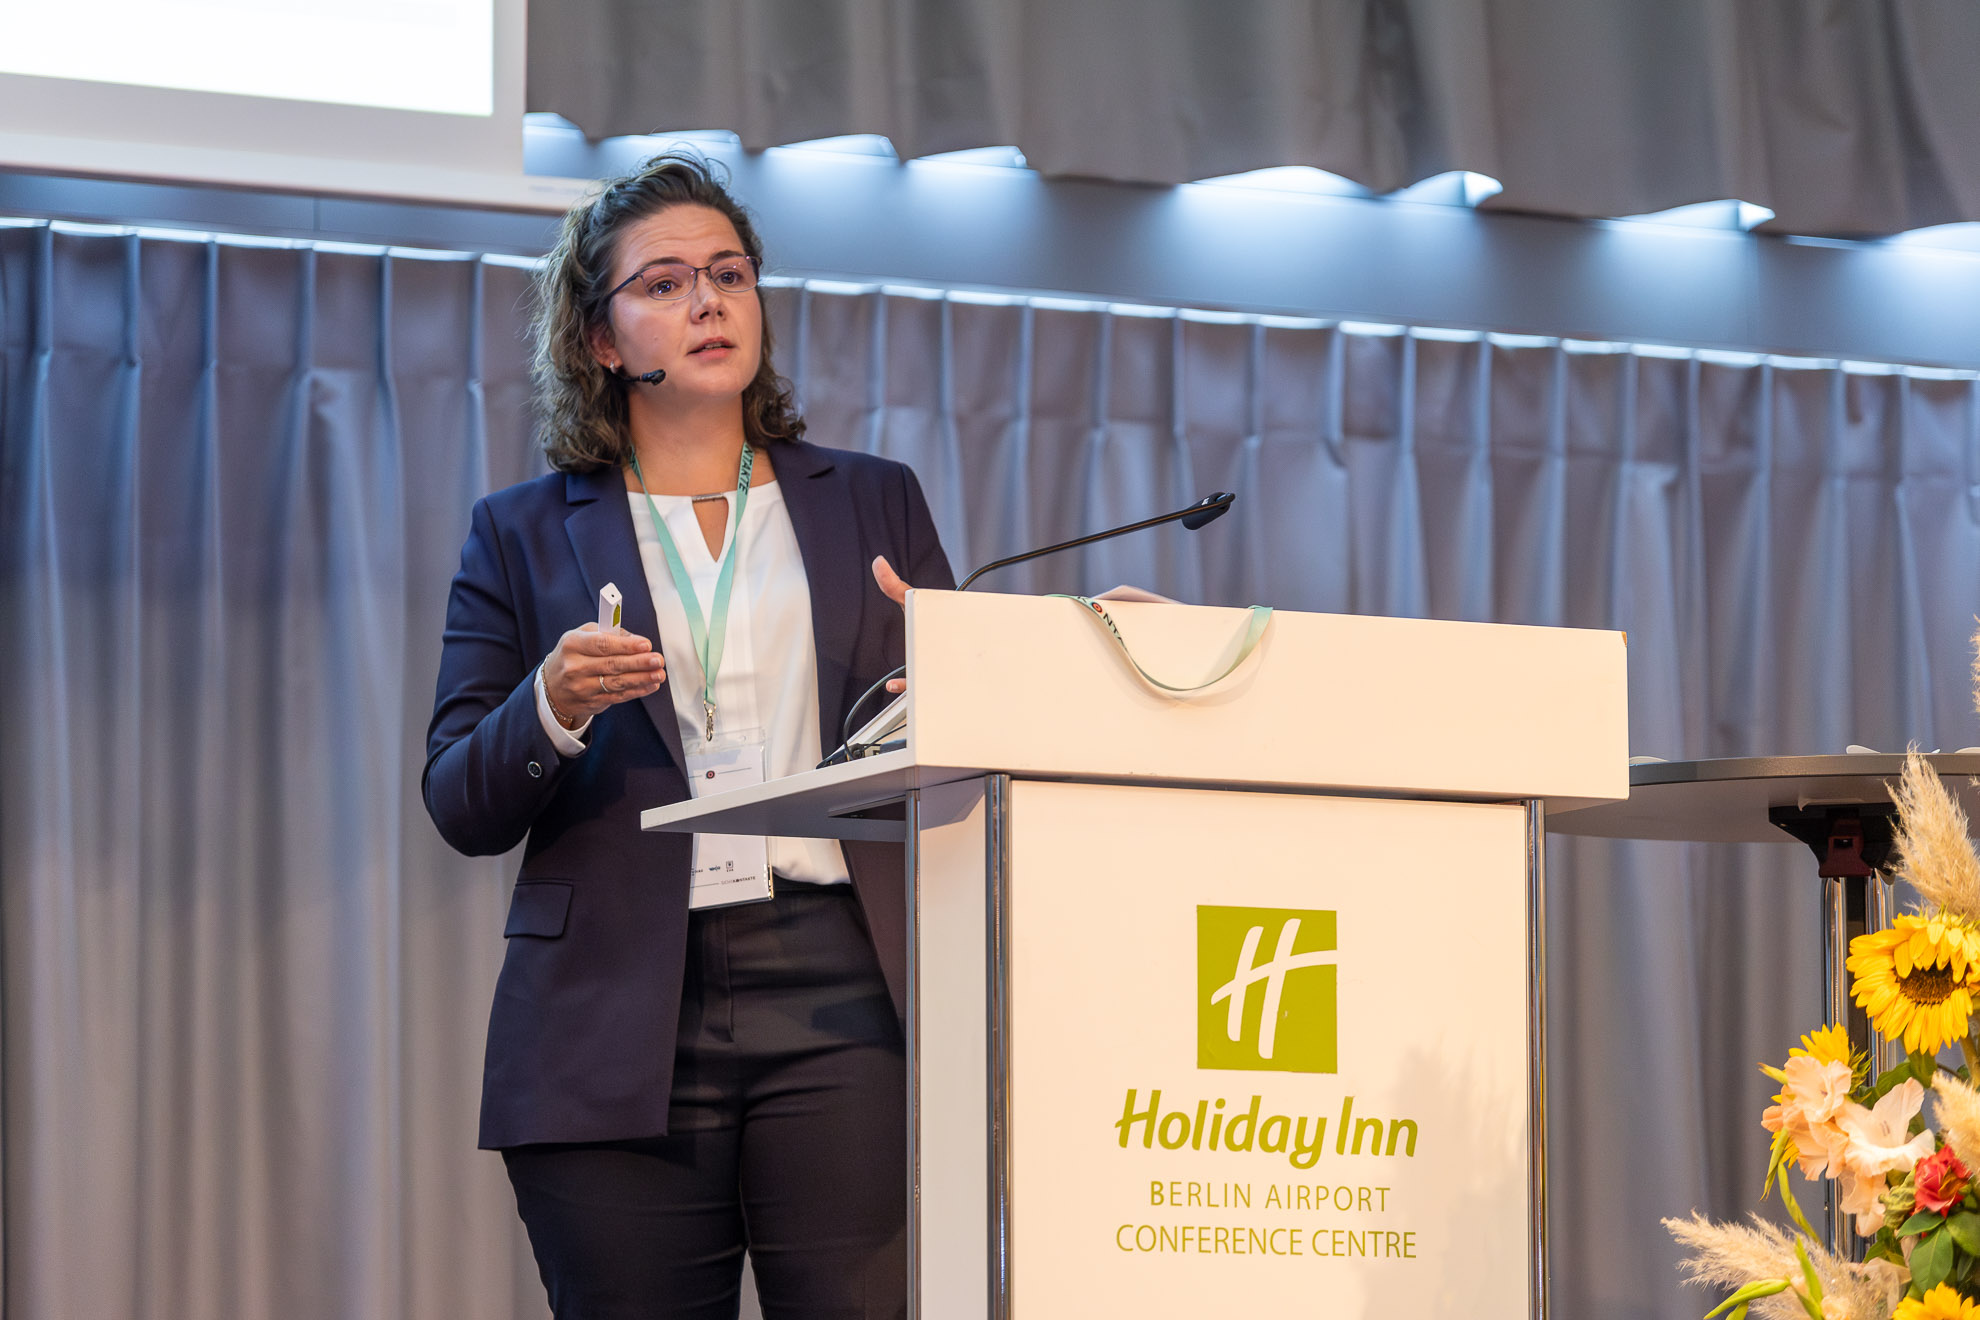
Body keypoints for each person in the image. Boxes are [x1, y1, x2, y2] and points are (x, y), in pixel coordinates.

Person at [422, 152, 954, 1320]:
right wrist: (553, 703)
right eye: (663, 283)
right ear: (601, 341)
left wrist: (990, 676)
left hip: (842, 988)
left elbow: (958, 741)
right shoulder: (520, 533)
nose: (708, 301)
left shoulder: (874, 500)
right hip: (614, 1001)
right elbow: (459, 799)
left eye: (729, 274)